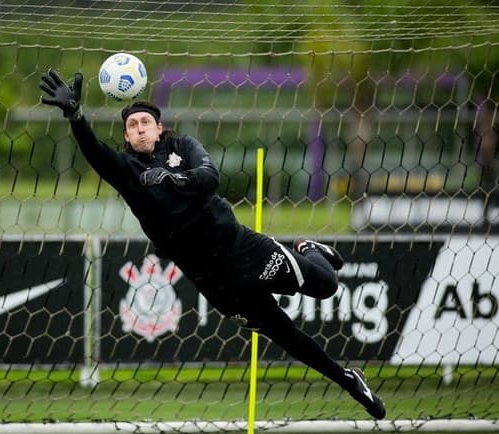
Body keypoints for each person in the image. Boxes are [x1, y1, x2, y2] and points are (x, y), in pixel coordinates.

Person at [39, 69, 386, 420]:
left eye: (146, 122)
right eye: (132, 125)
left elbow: (210, 178)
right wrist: (76, 116)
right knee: (286, 336)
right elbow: (96, 154)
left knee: (327, 286)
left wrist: (174, 177)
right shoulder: (127, 170)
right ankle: (348, 380)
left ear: (159, 129)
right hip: (213, 281)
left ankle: (308, 248)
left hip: (243, 249)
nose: (140, 128)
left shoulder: (183, 147)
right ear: (127, 137)